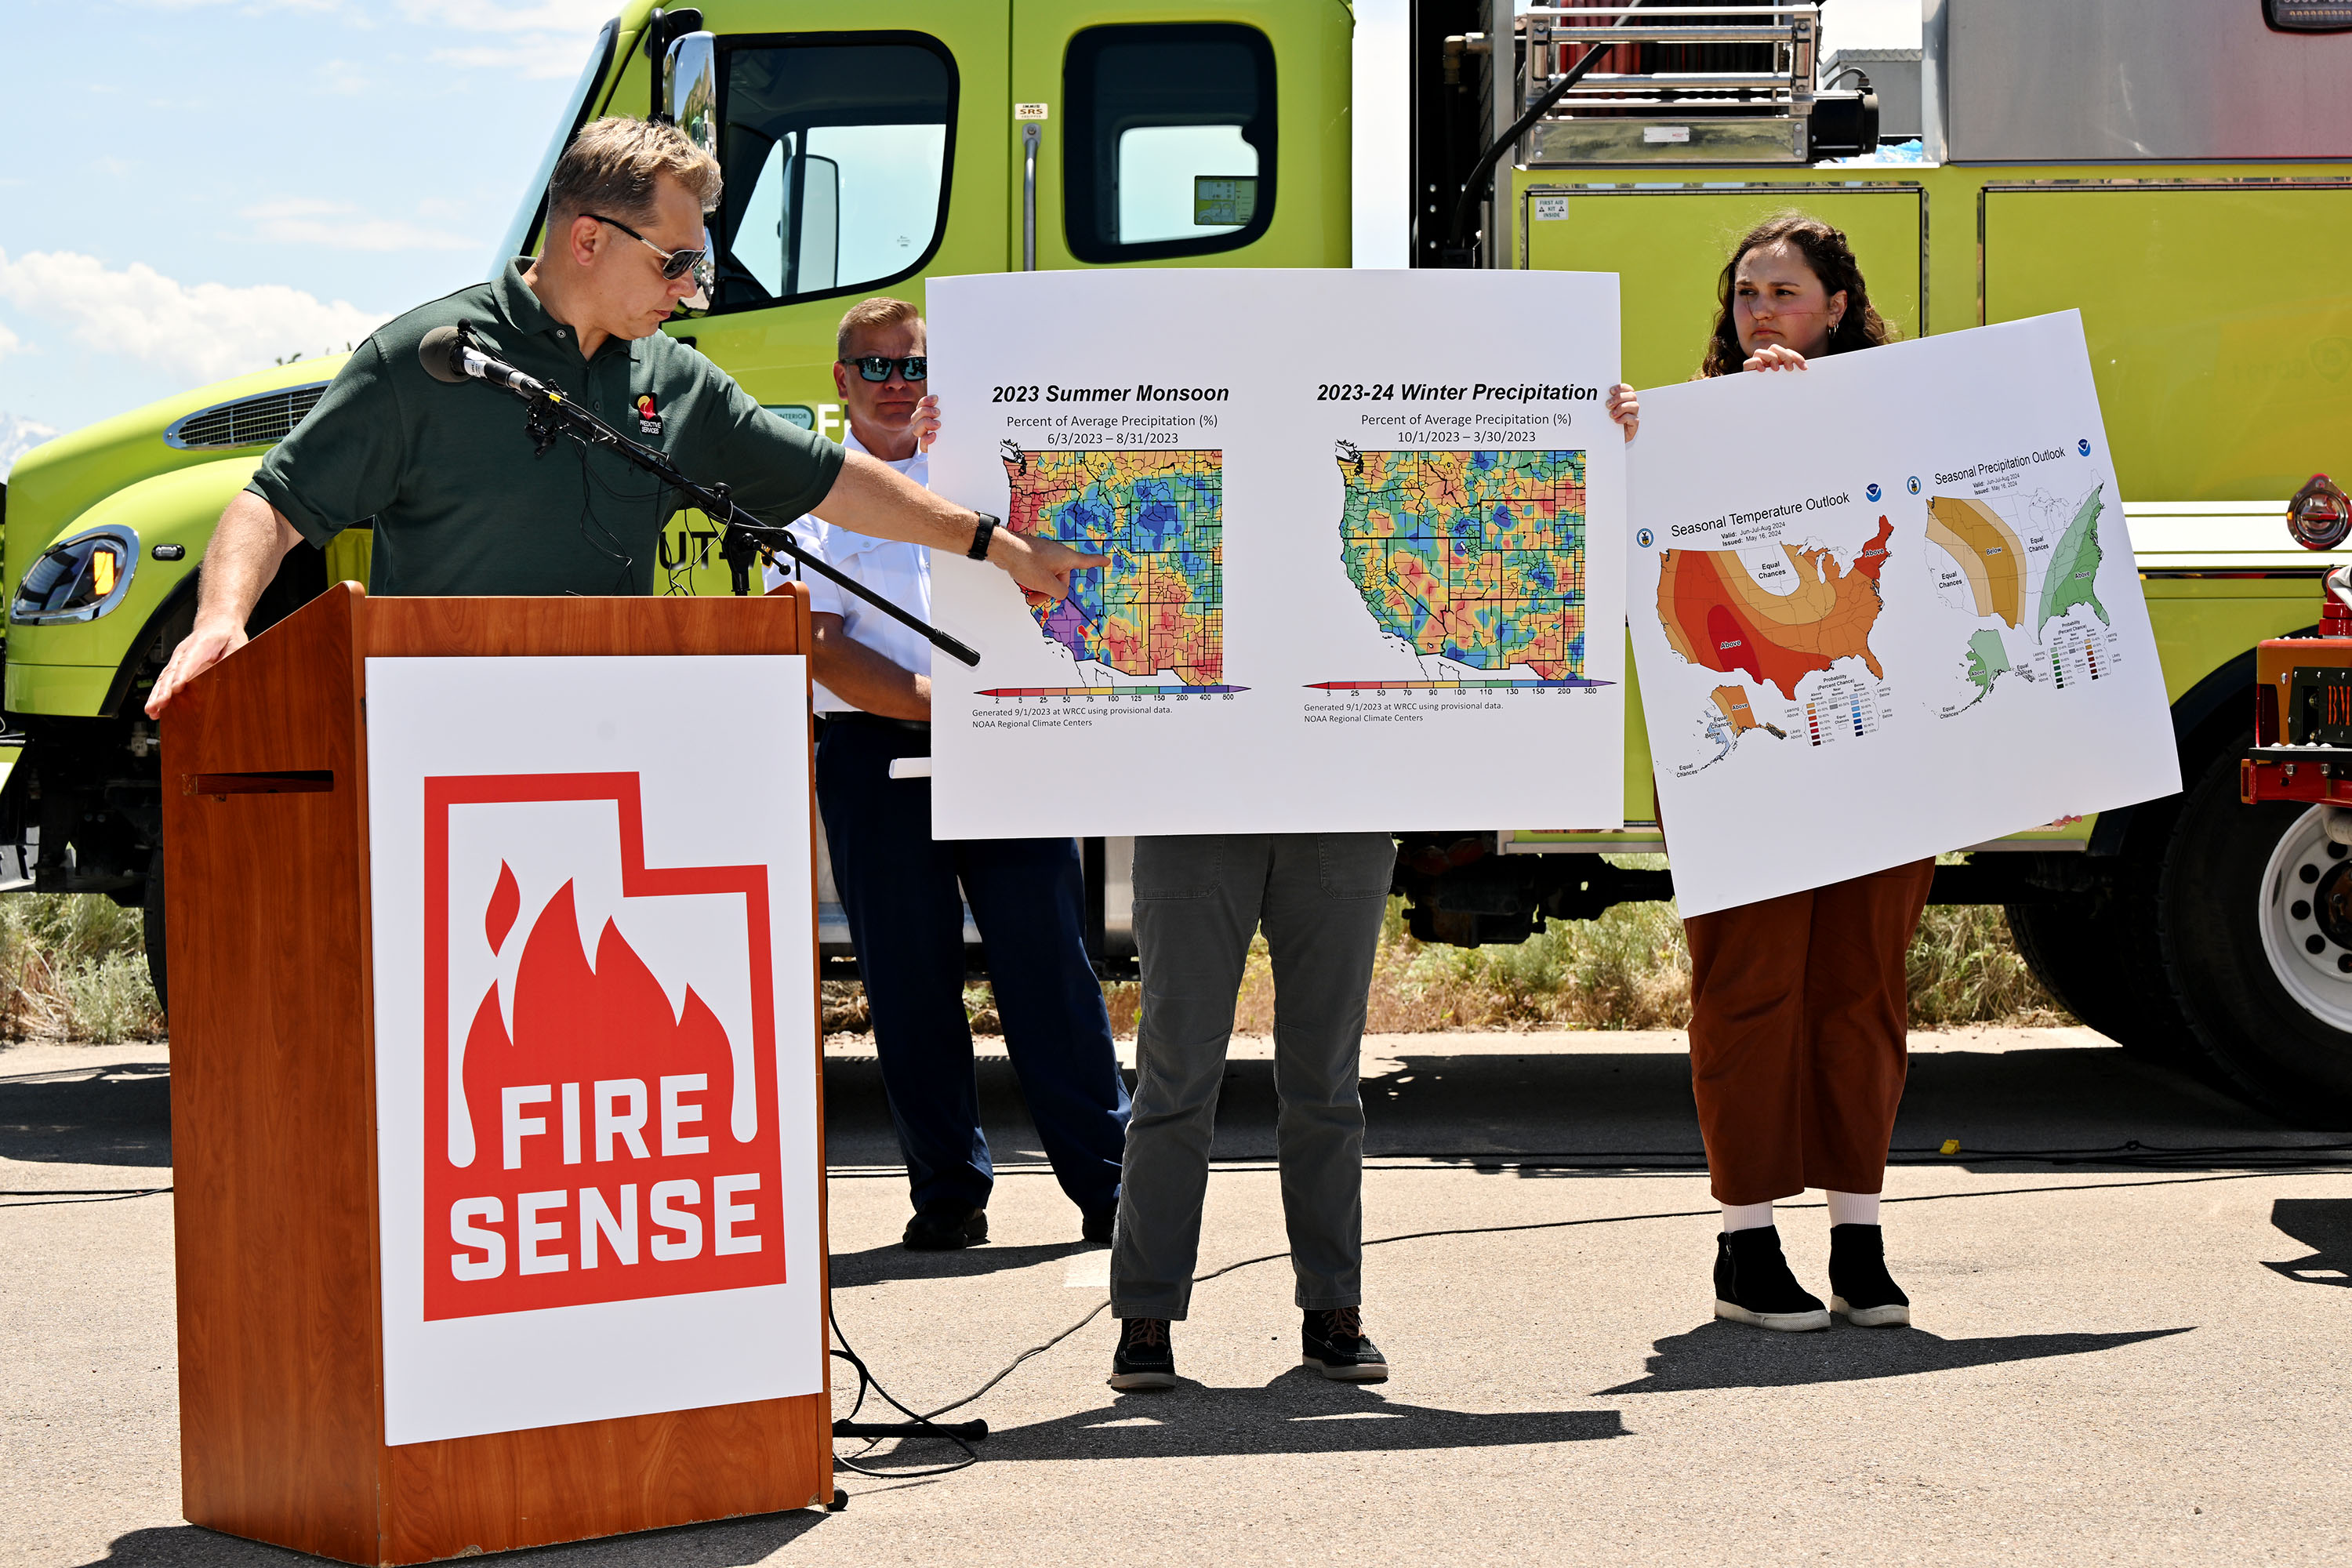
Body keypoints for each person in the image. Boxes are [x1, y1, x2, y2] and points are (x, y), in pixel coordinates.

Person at [143, 117, 1098, 717]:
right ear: (589, 238)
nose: (689, 291)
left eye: (698, 266)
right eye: (674, 263)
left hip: (609, 741)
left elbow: (833, 482)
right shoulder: (429, 355)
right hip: (433, 740)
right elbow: (274, 500)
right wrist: (220, 621)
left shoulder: (676, 383)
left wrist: (1000, 546)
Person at [1606, 212, 1927, 1333]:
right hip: (1743, 757)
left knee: (1861, 994)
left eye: (1783, 293)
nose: (1759, 312)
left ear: (1838, 306)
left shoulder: (1895, 414)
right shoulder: (1681, 427)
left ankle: (1858, 1238)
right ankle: (1746, 1246)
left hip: (1877, 754)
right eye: (1746, 294)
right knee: (1749, 994)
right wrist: (1634, 443)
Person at [773, 296, 1130, 1250]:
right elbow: (818, 646)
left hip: (1008, 749)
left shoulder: (982, 480)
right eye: (875, 367)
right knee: (908, 983)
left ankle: (1112, 1188)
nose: (896, 384)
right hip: (874, 755)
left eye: (912, 366)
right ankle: (947, 1194)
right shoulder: (800, 493)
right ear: (841, 381)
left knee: (1050, 973)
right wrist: (939, 702)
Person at [1105, 831, 1397, 1389]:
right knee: (1174, 1087)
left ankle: (1333, 1307)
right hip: (1194, 815)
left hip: (1336, 813)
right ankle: (1147, 1313)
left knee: (1328, 1087)